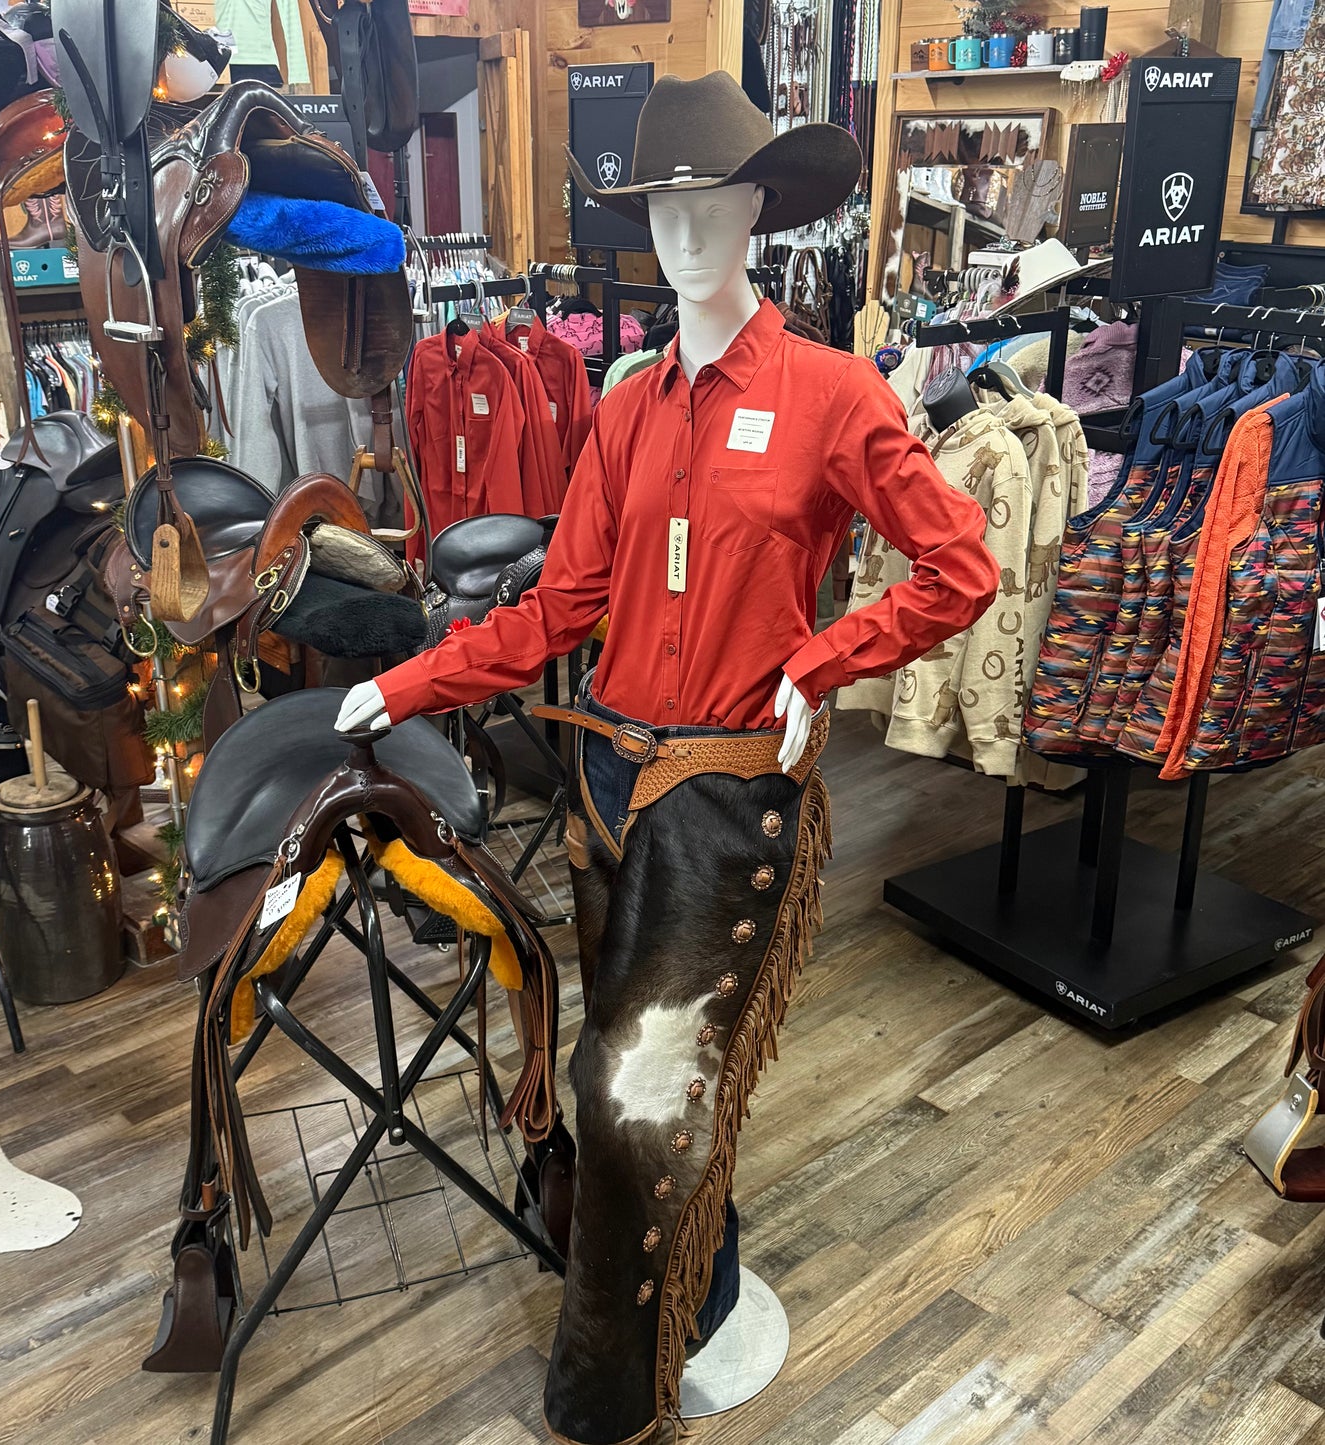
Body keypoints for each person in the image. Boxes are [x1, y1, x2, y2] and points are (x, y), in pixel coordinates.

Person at [336, 71, 999, 1445]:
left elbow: (958, 565)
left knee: (635, 1103)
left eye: (712, 202)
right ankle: (697, 1279)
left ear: (759, 207)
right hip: (603, 792)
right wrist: (402, 679)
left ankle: (609, 1409)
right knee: (634, 1077)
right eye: (664, 208)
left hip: (723, 794)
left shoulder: (831, 393)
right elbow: (556, 608)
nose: (687, 232)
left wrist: (823, 658)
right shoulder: (625, 406)